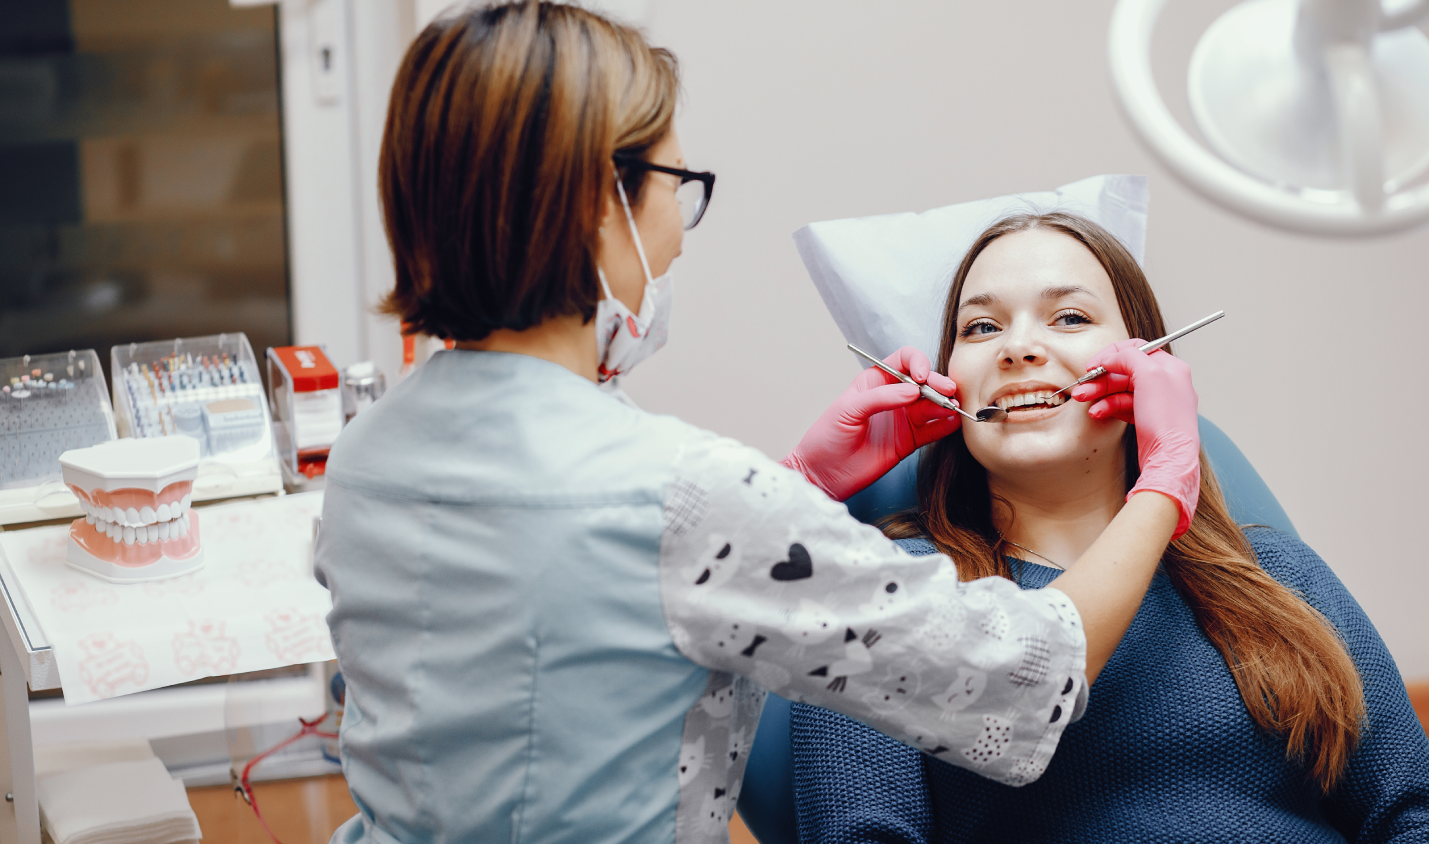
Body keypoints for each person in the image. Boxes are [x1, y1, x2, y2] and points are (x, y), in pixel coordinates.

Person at [313, 5, 1202, 843]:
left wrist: (794, 488)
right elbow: (1018, 677)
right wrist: (1165, 482)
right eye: (678, 187)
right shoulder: (683, 494)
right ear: (598, 200)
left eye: (1072, 319)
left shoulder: (365, 454)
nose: (680, 237)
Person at [789, 212, 1429, 844]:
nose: (1018, 347)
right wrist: (796, 486)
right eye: (980, 327)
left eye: (1067, 317)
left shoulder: (1281, 576)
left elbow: (1422, 821)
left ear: (1147, 362)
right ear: (946, 382)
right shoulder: (884, 595)